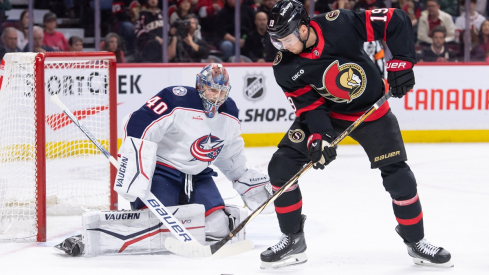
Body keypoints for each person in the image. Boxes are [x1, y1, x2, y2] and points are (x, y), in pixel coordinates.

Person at [262, 0, 452, 269]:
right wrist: (320, 137)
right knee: (281, 167)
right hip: (328, 115)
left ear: (303, 28)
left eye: (287, 38)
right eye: (276, 41)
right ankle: (292, 239)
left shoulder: (338, 23)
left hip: (371, 111)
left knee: (400, 179)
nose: (283, 46)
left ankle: (416, 242)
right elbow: (310, 106)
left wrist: (402, 63)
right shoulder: (285, 65)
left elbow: (395, 19)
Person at [54, 63, 273, 257]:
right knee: (155, 223)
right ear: (200, 85)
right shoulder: (175, 99)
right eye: (212, 90)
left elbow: (229, 150)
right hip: (162, 171)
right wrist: (135, 165)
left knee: (218, 226)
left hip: (198, 175)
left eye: (222, 92)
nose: (216, 97)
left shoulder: (229, 112)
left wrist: (242, 176)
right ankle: (92, 233)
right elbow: (138, 123)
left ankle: (181, 222)